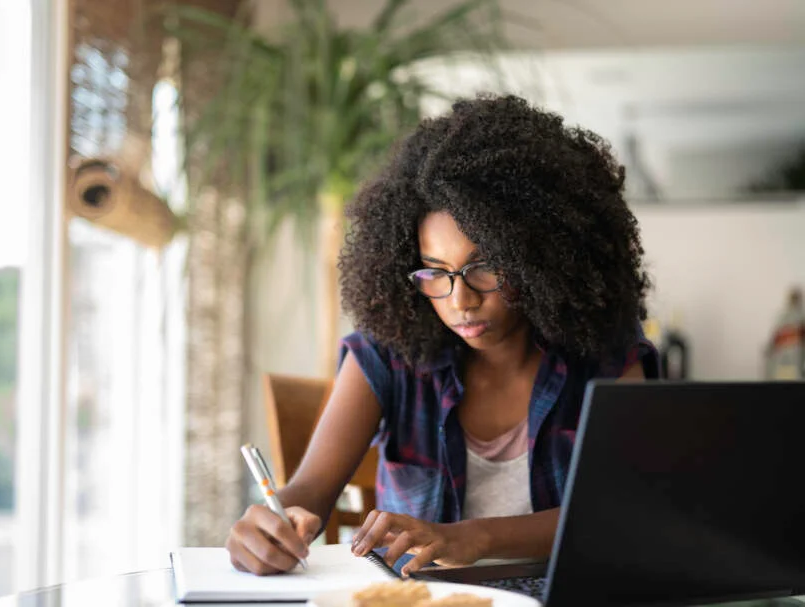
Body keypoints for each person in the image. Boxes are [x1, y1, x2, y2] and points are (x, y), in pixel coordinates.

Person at [225, 94, 660, 577]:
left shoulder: (605, 356)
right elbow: (309, 493)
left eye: (484, 267)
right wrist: (271, 524)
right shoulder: (386, 355)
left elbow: (623, 511)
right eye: (435, 272)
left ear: (542, 260)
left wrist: (474, 536)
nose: (460, 300)